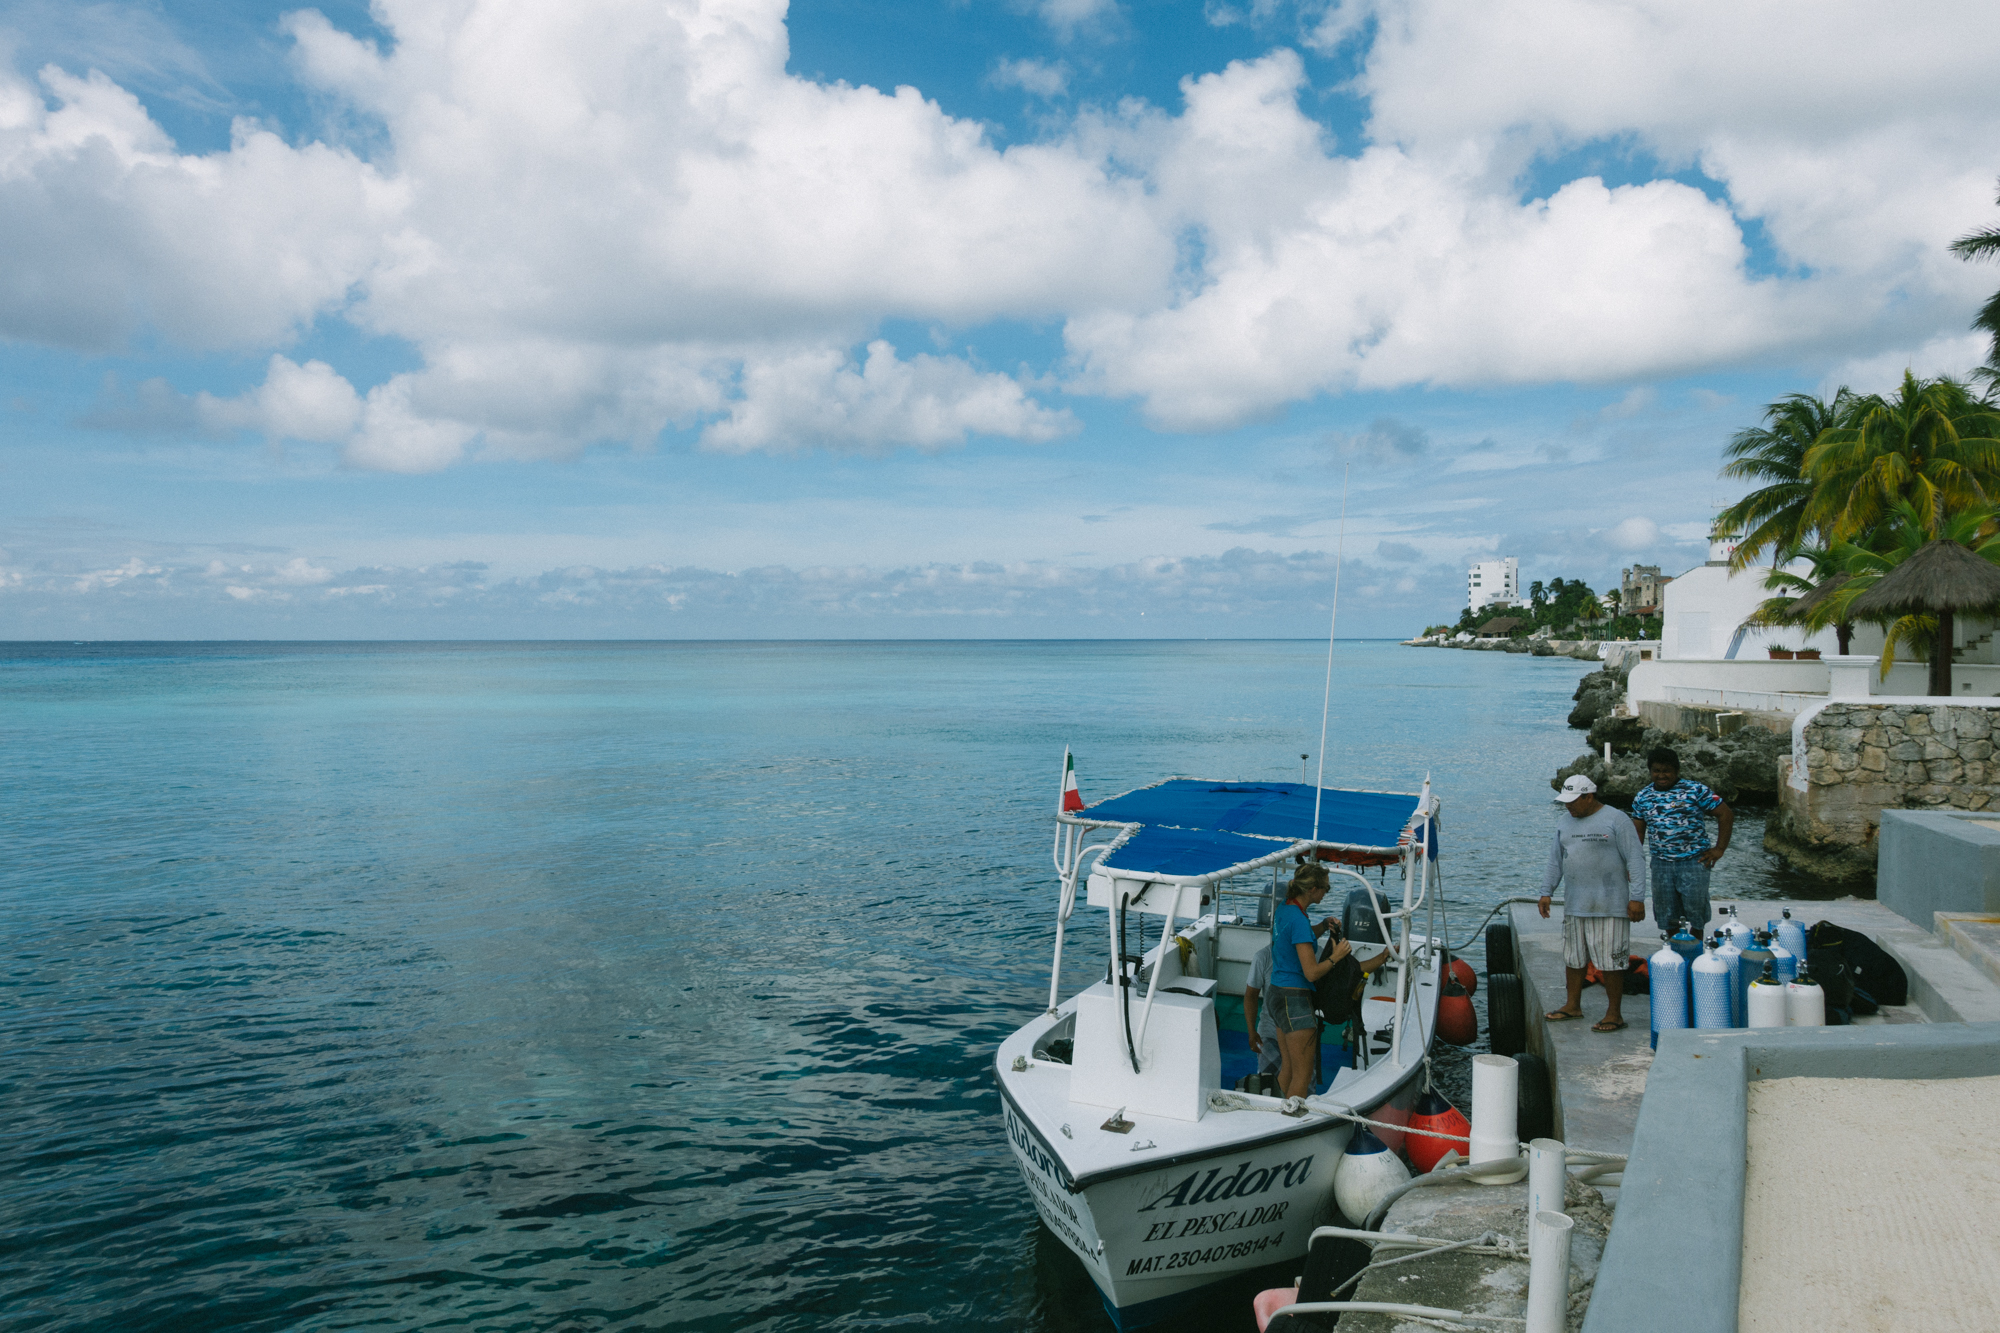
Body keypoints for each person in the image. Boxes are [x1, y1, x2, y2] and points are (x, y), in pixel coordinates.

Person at [1538, 774, 1646, 1033]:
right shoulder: (1564, 822)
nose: (1568, 806)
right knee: (1573, 958)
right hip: (1576, 904)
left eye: (1573, 801)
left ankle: (1614, 1014)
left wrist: (1637, 898)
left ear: (1589, 796)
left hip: (1610, 904)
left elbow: (1636, 859)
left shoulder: (1617, 819)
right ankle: (1572, 1006)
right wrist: (1546, 891)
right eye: (1565, 801)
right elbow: (1556, 860)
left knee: (1612, 962)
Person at [1629, 746, 1731, 939]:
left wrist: (1720, 849)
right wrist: (1632, 863)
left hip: (1695, 861)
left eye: (1666, 770)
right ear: (1650, 771)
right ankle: (1675, 948)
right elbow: (1638, 832)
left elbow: (1725, 814)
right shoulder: (1642, 797)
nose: (1661, 775)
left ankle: (1696, 947)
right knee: (1667, 912)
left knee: (1696, 910)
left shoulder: (1696, 790)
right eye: (1656, 771)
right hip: (1661, 864)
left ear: (1676, 771)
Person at [1268, 862, 1349, 1098]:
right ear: (1312, 889)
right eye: (1326, 888)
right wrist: (1336, 957)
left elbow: (1299, 938)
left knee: (1288, 1069)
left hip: (1276, 994)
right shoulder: (1298, 920)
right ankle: (1291, 1124)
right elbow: (1311, 973)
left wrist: (1323, 926)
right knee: (1302, 1076)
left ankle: (1271, 1120)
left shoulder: (1286, 909)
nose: (1327, 891)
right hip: (1295, 1001)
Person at [1242, 943, 1283, 1086]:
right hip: (1270, 1033)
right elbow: (1251, 995)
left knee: (1300, 1091)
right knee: (1268, 1086)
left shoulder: (1312, 953)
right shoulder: (1263, 957)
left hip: (1300, 1035)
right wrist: (1251, 1031)